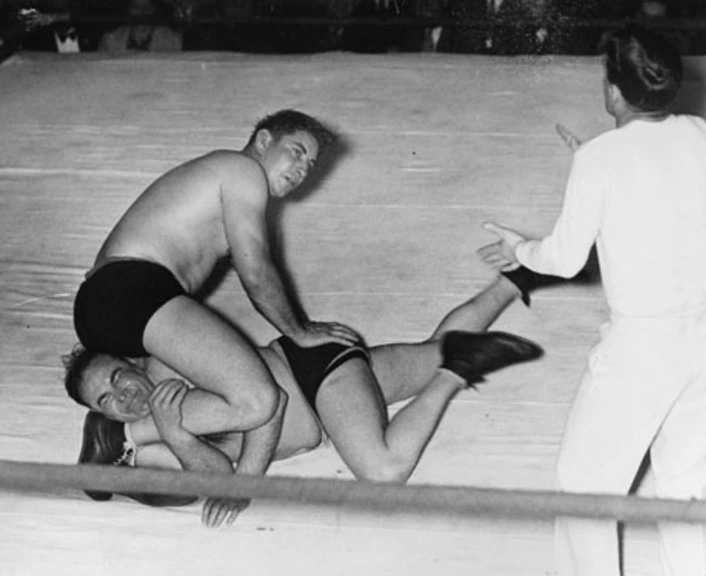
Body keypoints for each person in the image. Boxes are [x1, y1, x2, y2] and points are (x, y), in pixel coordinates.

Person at [478, 25, 706, 576]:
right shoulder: (702, 134)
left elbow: (565, 259)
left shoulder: (602, 160)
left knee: (582, 488)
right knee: (687, 485)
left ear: (613, 90)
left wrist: (519, 247)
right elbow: (665, 184)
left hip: (643, 346)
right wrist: (598, 159)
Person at [65, 276, 543, 526]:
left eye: (116, 377)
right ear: (101, 412)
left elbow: (266, 404)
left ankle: (456, 371)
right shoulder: (164, 429)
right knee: (432, 347)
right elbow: (217, 478)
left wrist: (244, 481)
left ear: (130, 361)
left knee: (383, 470)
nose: (124, 395)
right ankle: (513, 280)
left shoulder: (167, 366)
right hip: (334, 388)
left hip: (314, 374)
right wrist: (176, 437)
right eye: (108, 402)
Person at [73, 109, 363, 509]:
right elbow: (257, 273)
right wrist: (300, 330)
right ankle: (123, 436)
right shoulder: (242, 171)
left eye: (310, 165)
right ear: (263, 141)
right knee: (257, 400)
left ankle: (125, 452)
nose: (302, 170)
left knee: (187, 419)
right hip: (129, 294)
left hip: (113, 306)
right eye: (296, 152)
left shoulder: (230, 183)